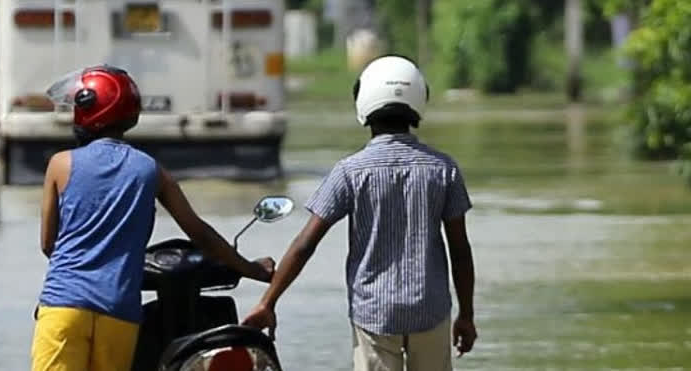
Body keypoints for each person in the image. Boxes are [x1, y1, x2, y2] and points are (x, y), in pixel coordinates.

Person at [31, 65, 275, 371]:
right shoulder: (149, 169)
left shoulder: (60, 165)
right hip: (118, 310)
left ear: (87, 111)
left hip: (63, 305)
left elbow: (48, 244)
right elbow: (200, 234)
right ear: (130, 115)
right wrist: (252, 269)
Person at [241, 55, 477, 371]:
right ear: (420, 100)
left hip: (374, 312)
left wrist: (268, 302)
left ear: (363, 103)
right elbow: (460, 251)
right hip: (430, 308)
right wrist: (467, 315)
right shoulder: (443, 169)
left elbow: (305, 244)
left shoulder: (350, 172)